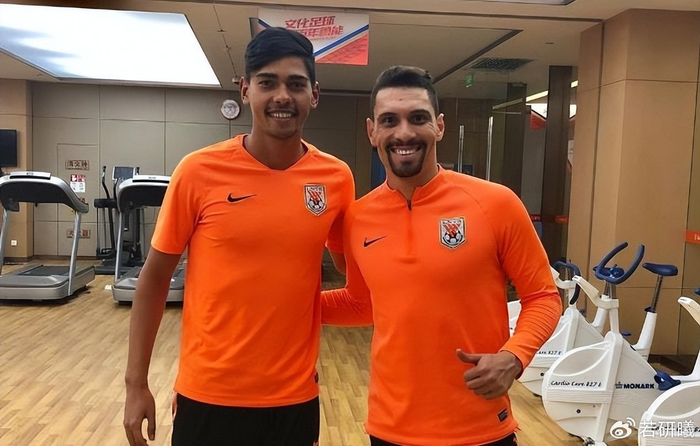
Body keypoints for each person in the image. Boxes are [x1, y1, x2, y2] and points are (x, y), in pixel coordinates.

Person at [123, 27, 355, 446]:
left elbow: (358, 277)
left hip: (294, 399)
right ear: (246, 90)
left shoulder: (336, 178)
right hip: (208, 396)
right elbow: (154, 280)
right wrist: (135, 384)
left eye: (296, 84)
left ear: (314, 94)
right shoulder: (198, 171)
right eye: (268, 83)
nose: (282, 96)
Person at [322, 66, 562, 446]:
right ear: (372, 131)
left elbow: (543, 296)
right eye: (389, 120)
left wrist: (515, 356)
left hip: (479, 428)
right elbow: (361, 304)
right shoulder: (356, 218)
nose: (404, 133)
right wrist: (290, 305)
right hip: (389, 428)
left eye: (418, 118)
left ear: (439, 126)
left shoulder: (496, 204)